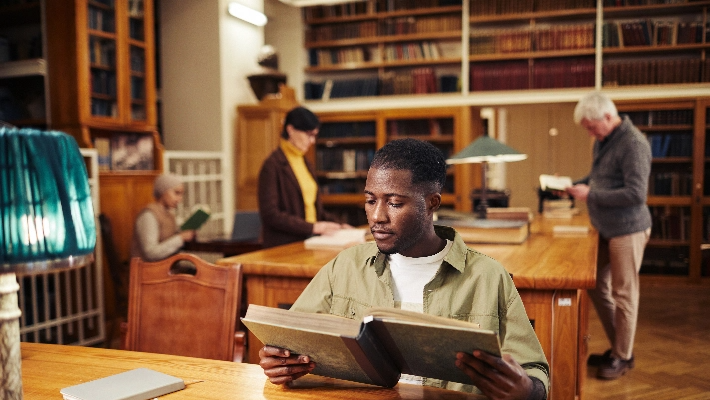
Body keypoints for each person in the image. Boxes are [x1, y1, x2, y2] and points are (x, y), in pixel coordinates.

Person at [258, 138, 549, 399]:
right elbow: (288, 343)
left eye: (395, 203)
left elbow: (535, 375)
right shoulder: (344, 267)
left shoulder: (487, 277)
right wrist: (280, 362)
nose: (377, 216)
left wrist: (526, 390)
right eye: (370, 200)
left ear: (431, 203)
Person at [566, 91, 652, 380]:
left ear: (607, 116)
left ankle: (623, 356)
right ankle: (619, 346)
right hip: (604, 227)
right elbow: (597, 178)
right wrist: (571, 185)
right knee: (594, 284)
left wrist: (590, 194)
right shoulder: (604, 141)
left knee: (624, 292)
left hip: (628, 228)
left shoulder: (634, 144)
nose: (590, 132)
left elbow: (636, 194)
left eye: (591, 127)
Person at [258, 106, 350, 248]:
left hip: (311, 240)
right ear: (290, 130)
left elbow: (313, 210)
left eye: (315, 135)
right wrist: (313, 227)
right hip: (285, 245)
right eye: (309, 134)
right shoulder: (272, 165)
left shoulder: (305, 162)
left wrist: (339, 225)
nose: (312, 141)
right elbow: (270, 215)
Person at [129, 174, 196, 261]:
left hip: (165, 268)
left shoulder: (169, 214)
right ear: (163, 191)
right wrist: (180, 238)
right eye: (176, 193)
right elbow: (151, 253)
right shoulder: (148, 215)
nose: (180, 199)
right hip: (147, 271)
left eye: (181, 194)